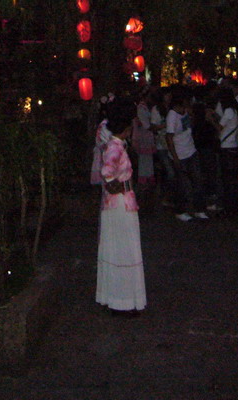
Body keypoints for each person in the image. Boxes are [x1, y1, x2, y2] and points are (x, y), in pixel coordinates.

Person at [96, 97, 146, 314]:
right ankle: (123, 299)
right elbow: (106, 172)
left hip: (121, 201)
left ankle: (120, 297)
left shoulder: (116, 145)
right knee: (124, 248)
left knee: (120, 248)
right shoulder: (115, 147)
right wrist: (114, 185)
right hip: (120, 203)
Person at [164, 90, 208, 221]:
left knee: (197, 180)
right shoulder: (172, 116)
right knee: (182, 184)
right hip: (180, 153)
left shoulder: (186, 112)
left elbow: (191, 125)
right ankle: (180, 209)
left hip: (191, 150)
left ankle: (199, 208)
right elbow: (169, 137)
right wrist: (175, 157)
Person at [209, 88, 238, 216]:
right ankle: (234, 205)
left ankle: (229, 206)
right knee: (232, 178)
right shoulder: (234, 110)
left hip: (227, 147)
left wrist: (211, 119)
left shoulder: (228, 111)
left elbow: (219, 127)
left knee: (227, 179)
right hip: (232, 146)